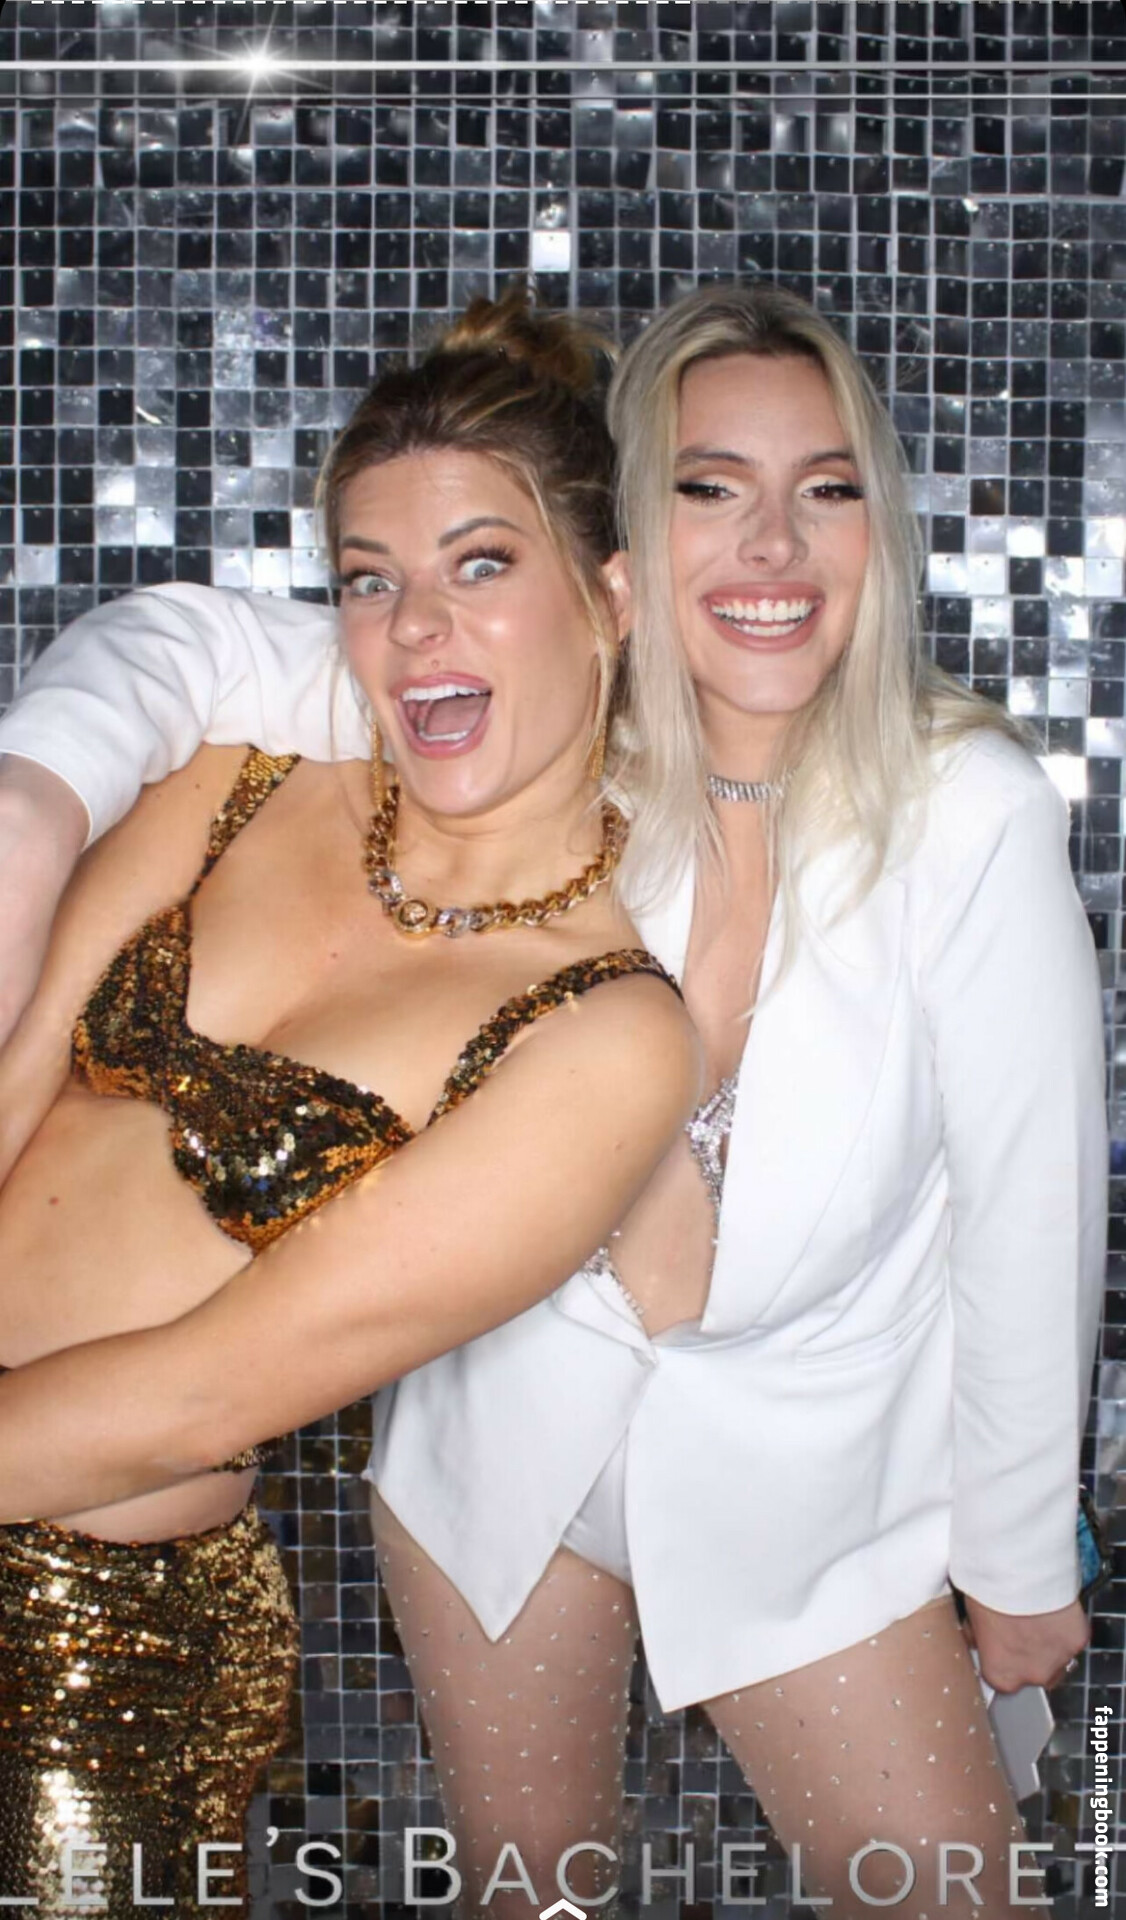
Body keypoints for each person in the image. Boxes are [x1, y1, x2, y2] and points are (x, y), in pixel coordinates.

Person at [0, 283, 1106, 1917]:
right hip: (505, 1446)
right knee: (532, 1893)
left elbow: (1028, 1208)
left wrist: (1012, 1557)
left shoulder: (962, 810)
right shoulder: (519, 737)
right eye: (709, 487)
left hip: (799, 1480)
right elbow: (201, 647)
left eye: (825, 489)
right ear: (631, 553)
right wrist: (33, 799)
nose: (771, 545)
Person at [0, 293, 700, 1917]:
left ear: (609, 601)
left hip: (93, 1646)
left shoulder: (603, 1035)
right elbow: (18, 1064)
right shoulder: (236, 779)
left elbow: (206, 1392)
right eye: (371, 580)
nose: (415, 628)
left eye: (479, 566)